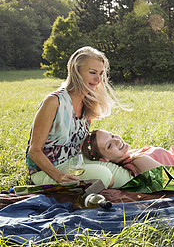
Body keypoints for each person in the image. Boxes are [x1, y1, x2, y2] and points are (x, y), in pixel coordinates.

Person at [26, 46, 132, 189]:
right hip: (46, 171)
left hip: (75, 163)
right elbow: (34, 151)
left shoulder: (87, 102)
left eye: (101, 73)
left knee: (126, 177)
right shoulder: (54, 102)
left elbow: (79, 144)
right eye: (92, 72)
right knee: (104, 175)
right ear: (76, 71)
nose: (98, 79)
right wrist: (59, 177)